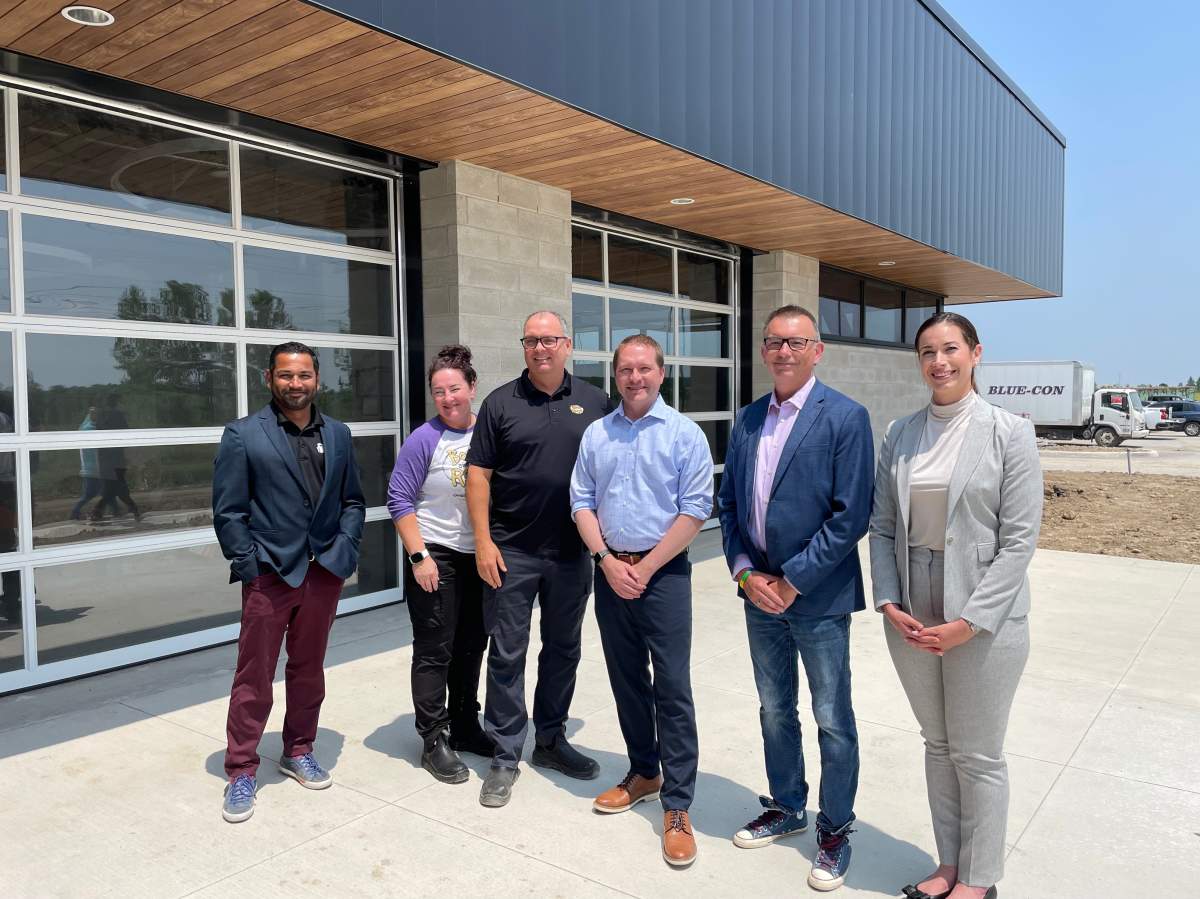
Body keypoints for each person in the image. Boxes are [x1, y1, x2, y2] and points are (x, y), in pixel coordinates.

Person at [869, 312, 1041, 899]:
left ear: (974, 353)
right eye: (927, 352)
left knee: (978, 753)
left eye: (949, 349)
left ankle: (980, 877)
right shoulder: (901, 432)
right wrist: (888, 599)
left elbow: (1020, 539)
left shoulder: (1008, 432)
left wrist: (970, 622)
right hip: (914, 604)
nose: (938, 362)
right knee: (938, 745)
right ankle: (947, 865)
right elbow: (883, 525)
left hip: (982, 610)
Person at [717, 305, 874, 892]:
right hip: (758, 596)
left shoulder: (845, 417)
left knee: (832, 719)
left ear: (816, 350)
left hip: (819, 599)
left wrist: (791, 580)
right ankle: (787, 806)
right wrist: (744, 574)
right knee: (774, 709)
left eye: (795, 342)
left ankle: (834, 830)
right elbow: (730, 506)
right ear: (763, 350)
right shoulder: (749, 418)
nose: (783, 352)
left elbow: (850, 515)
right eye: (774, 342)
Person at [570, 334, 714, 867]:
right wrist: (607, 560)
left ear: (661, 372)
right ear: (615, 375)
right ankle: (644, 771)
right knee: (626, 677)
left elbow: (696, 509)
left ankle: (677, 805)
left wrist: (646, 567)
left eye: (644, 369)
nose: (635, 378)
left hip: (665, 573)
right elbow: (581, 500)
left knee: (672, 687)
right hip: (610, 571)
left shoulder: (685, 435)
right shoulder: (596, 435)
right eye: (626, 370)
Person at [213, 341, 365, 823]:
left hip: (323, 573)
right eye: (286, 375)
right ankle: (240, 769)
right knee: (254, 675)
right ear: (269, 378)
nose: (295, 384)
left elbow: (354, 502)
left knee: (309, 669)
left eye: (303, 376)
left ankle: (298, 748)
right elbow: (228, 511)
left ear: (317, 379)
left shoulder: (338, 434)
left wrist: (344, 549)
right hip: (270, 576)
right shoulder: (242, 435)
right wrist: (250, 564)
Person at [465, 310, 611, 808]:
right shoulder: (500, 403)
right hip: (512, 552)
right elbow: (479, 475)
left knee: (563, 649)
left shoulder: (595, 402)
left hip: (573, 554)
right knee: (507, 653)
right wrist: (484, 542)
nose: (540, 348)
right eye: (531, 340)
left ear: (567, 345)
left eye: (549, 340)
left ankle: (549, 740)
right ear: (523, 346)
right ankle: (505, 755)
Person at [387, 344, 494, 784]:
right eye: (438, 391)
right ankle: (433, 738)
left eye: (454, 388)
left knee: (472, 646)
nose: (448, 398)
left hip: (481, 557)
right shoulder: (424, 439)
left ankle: (466, 724)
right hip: (437, 555)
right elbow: (399, 498)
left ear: (472, 387)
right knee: (435, 649)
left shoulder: (489, 432)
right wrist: (419, 556)